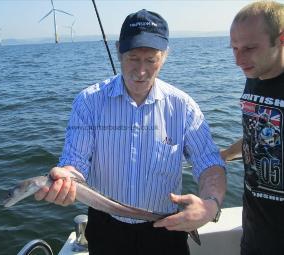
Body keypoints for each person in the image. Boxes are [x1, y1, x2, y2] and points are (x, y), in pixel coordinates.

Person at [35, 9, 226, 255]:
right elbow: (75, 162)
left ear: (165, 56)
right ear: (119, 50)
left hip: (166, 228)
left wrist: (210, 205)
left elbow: (208, 161)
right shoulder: (89, 102)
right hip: (106, 229)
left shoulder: (183, 106)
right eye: (133, 57)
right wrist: (66, 178)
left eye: (151, 60)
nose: (141, 71)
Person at [220, 1, 284, 254]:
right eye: (234, 48)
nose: (238, 60)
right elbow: (256, 135)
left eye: (249, 48)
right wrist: (225, 155)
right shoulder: (255, 76)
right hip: (255, 229)